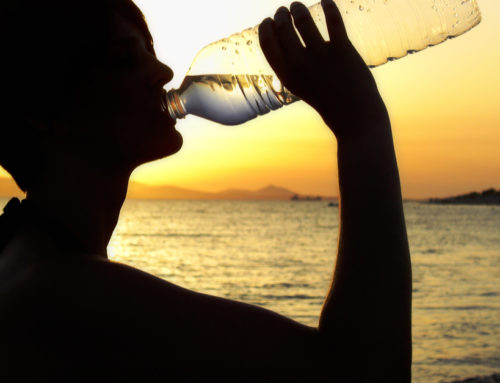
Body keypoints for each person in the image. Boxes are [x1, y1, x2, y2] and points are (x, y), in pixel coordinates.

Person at [0, 0, 412, 381]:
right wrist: (362, 127)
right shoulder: (67, 297)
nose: (161, 71)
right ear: (45, 112)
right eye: (123, 59)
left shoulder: (24, 257)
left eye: (149, 48)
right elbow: (363, 371)